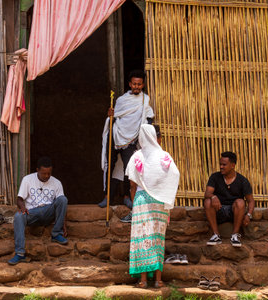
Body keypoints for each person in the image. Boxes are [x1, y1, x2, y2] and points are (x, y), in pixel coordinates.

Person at [126, 124, 180, 288]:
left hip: (142, 200)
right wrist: (166, 198)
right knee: (157, 239)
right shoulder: (164, 156)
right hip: (160, 202)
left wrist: (135, 204)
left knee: (143, 238)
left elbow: (132, 186)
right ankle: (158, 280)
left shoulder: (137, 157)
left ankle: (143, 281)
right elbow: (174, 175)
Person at [99, 70, 155, 219]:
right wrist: (111, 114)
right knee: (109, 164)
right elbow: (116, 116)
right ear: (130, 84)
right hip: (116, 134)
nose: (136, 86)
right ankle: (107, 196)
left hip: (131, 140)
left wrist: (142, 136)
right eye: (134, 84)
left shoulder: (145, 100)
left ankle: (126, 197)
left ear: (143, 85)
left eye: (139, 84)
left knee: (129, 169)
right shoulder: (121, 100)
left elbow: (149, 118)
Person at [8, 157, 68, 265]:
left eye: (49, 173)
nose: (46, 176)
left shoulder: (57, 183)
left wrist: (63, 223)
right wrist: (23, 208)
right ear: (37, 170)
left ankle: (56, 234)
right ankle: (20, 253)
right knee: (18, 216)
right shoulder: (27, 179)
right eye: (43, 173)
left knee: (63, 199)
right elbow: (19, 199)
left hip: (48, 212)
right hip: (32, 213)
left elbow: (60, 204)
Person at [204, 151, 255, 247]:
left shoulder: (242, 180)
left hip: (235, 212)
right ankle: (216, 235)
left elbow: (250, 200)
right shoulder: (215, 177)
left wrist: (248, 215)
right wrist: (213, 196)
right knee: (208, 201)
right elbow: (207, 193)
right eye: (220, 164)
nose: (221, 167)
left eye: (224, 164)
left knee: (240, 202)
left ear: (232, 165)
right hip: (218, 210)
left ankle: (235, 236)